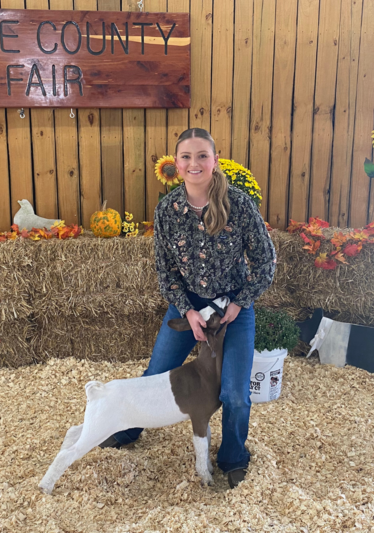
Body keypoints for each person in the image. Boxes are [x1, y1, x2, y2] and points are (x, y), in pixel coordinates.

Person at [98, 127, 277, 489]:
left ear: (215, 160)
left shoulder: (240, 205)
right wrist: (186, 310)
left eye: (202, 155)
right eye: (186, 156)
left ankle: (232, 457)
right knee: (156, 373)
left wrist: (241, 302)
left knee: (235, 394)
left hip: (231, 310)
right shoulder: (168, 210)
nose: (194, 163)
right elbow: (165, 271)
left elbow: (266, 261)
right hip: (188, 307)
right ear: (176, 165)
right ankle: (130, 428)